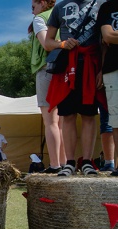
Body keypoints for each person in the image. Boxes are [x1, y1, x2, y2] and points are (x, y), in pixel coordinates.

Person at [45, 0, 107, 176]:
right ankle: (70, 162)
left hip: (91, 66)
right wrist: (62, 44)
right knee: (67, 115)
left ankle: (87, 161)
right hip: (66, 67)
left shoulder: (101, 4)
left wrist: (102, 69)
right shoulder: (59, 7)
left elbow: (104, 42)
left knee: (89, 114)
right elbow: (48, 43)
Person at [29, 0, 66, 174]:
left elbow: (46, 43)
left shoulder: (39, 19)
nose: (32, 10)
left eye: (33, 5)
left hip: (46, 69)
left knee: (50, 121)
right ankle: (66, 163)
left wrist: (58, 44)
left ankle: (55, 164)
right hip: (65, 70)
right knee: (62, 122)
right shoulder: (63, 15)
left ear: (42, 3)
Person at [98, 0, 118, 176]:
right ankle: (114, 164)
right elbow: (107, 36)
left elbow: (113, 36)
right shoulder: (107, 7)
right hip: (112, 68)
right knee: (115, 120)